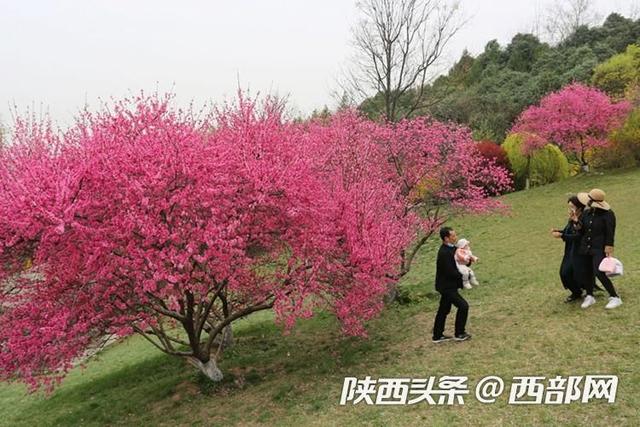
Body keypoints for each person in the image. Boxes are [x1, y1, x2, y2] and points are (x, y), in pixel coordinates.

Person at [576, 189, 622, 309]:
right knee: (586, 271)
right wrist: (576, 222)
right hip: (586, 247)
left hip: (599, 248)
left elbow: (610, 232)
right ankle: (590, 295)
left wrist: (609, 248)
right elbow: (582, 230)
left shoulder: (608, 214)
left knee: (599, 272)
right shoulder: (586, 213)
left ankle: (615, 297)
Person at [432, 227, 472, 343]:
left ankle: (437, 336)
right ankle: (460, 333)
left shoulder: (454, 249)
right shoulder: (443, 253)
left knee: (443, 310)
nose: (456, 237)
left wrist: (468, 260)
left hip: (449, 286)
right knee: (463, 306)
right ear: (446, 238)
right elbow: (450, 271)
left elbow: (461, 261)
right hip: (446, 287)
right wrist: (465, 277)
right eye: (453, 236)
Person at [551, 196, 591, 303]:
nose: (570, 209)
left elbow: (579, 236)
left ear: (579, 207)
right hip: (570, 250)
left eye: (572, 207)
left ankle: (584, 291)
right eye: (569, 207)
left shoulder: (584, 217)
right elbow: (567, 231)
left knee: (576, 272)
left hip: (579, 251)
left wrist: (562, 236)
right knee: (564, 273)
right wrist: (558, 231)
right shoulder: (572, 217)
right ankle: (577, 292)